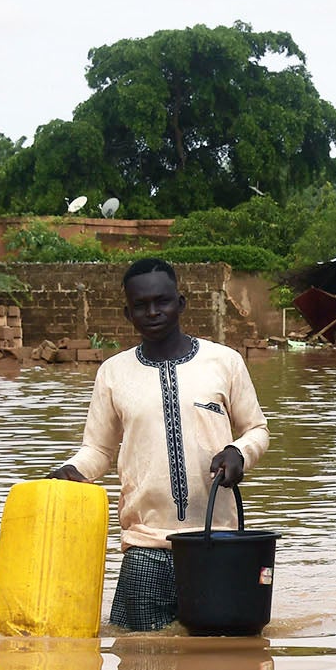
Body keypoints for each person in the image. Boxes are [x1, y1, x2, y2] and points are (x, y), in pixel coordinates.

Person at [51, 258, 270, 631]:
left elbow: (257, 430)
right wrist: (71, 472)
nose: (153, 311)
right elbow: (99, 450)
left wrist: (238, 453)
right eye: (141, 305)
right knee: (140, 665)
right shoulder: (113, 373)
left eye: (162, 301)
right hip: (145, 546)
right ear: (127, 312)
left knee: (222, 668)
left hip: (216, 544)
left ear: (181, 303)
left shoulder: (224, 362)